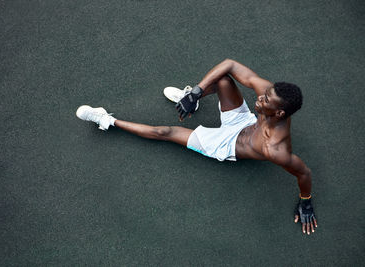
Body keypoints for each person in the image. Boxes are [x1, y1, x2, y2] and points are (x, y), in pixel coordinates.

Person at [76, 58, 318, 235]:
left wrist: (305, 200)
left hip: (226, 145)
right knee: (223, 80)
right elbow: (230, 64)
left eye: (266, 100)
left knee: (165, 132)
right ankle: (188, 98)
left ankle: (106, 119)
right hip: (244, 122)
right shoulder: (267, 98)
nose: (260, 97)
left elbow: (303, 172)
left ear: (280, 112)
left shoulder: (275, 149)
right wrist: (196, 93)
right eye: (265, 94)